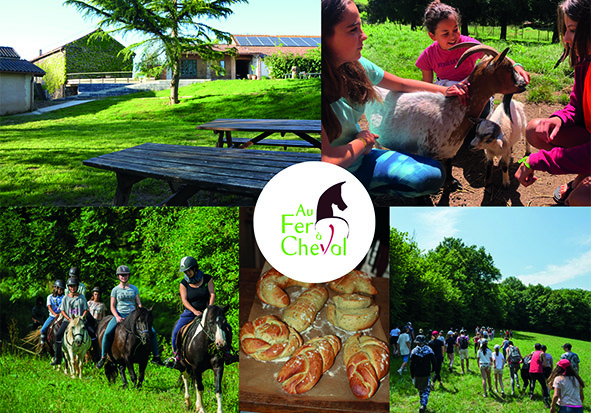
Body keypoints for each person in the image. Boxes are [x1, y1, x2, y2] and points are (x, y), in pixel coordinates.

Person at [321, 0, 469, 198]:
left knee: (433, 175)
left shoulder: (357, 65)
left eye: (361, 27)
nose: (364, 36)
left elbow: (401, 84)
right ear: (324, 37)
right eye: (353, 30)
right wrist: (361, 142)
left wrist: (443, 90)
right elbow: (328, 163)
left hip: (360, 159)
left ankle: (366, 188)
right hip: (333, 174)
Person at [516, 0, 591, 206]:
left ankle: (580, 184)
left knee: (581, 199)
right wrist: (558, 119)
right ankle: (581, 178)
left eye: (573, 30)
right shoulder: (585, 61)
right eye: (566, 29)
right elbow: (576, 105)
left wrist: (535, 160)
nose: (566, 38)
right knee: (535, 130)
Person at [166, 256, 237, 369]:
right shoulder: (183, 283)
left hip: (207, 310)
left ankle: (228, 352)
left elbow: (212, 293)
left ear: (195, 268)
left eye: (188, 270)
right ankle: (177, 357)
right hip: (190, 312)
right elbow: (184, 300)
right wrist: (194, 311)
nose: (187, 273)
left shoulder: (207, 278)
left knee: (227, 327)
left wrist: (209, 309)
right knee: (176, 332)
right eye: (185, 271)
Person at [96, 265, 165, 369]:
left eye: (126, 275)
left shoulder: (134, 288)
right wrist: (117, 317)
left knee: (152, 332)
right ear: (118, 276)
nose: (124, 277)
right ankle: (103, 357)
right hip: (120, 315)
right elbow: (112, 306)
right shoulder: (115, 290)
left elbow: (139, 303)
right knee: (107, 333)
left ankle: (156, 356)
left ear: (128, 276)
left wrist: (142, 312)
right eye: (122, 275)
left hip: (133, 316)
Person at [50, 277, 99, 366]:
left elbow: (85, 309)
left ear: (77, 286)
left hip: (80, 321)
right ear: (68, 287)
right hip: (68, 320)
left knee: (92, 333)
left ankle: (98, 357)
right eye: (71, 286)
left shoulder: (82, 297)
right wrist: (69, 319)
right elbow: (62, 310)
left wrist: (82, 316)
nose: (72, 288)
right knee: (58, 335)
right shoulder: (65, 298)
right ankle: (58, 358)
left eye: (74, 286)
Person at [410, 335, 437, 413]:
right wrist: (433, 369)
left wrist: (412, 375)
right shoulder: (429, 350)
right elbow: (434, 362)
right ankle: (423, 404)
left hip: (417, 373)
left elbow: (411, 365)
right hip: (426, 372)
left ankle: (422, 402)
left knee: (420, 389)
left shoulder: (414, 351)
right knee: (426, 389)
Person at [40, 279, 65, 345]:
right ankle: (42, 345)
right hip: (52, 316)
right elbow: (49, 307)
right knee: (43, 329)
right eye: (60, 289)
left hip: (62, 316)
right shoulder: (50, 297)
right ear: (55, 288)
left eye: (62, 290)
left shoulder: (64, 297)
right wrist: (55, 314)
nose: (61, 291)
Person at [529, 343, 551, 408]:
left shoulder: (533, 353)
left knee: (533, 381)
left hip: (531, 371)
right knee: (544, 386)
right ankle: (546, 402)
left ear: (535, 348)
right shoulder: (542, 353)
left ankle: (531, 394)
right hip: (538, 371)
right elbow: (545, 364)